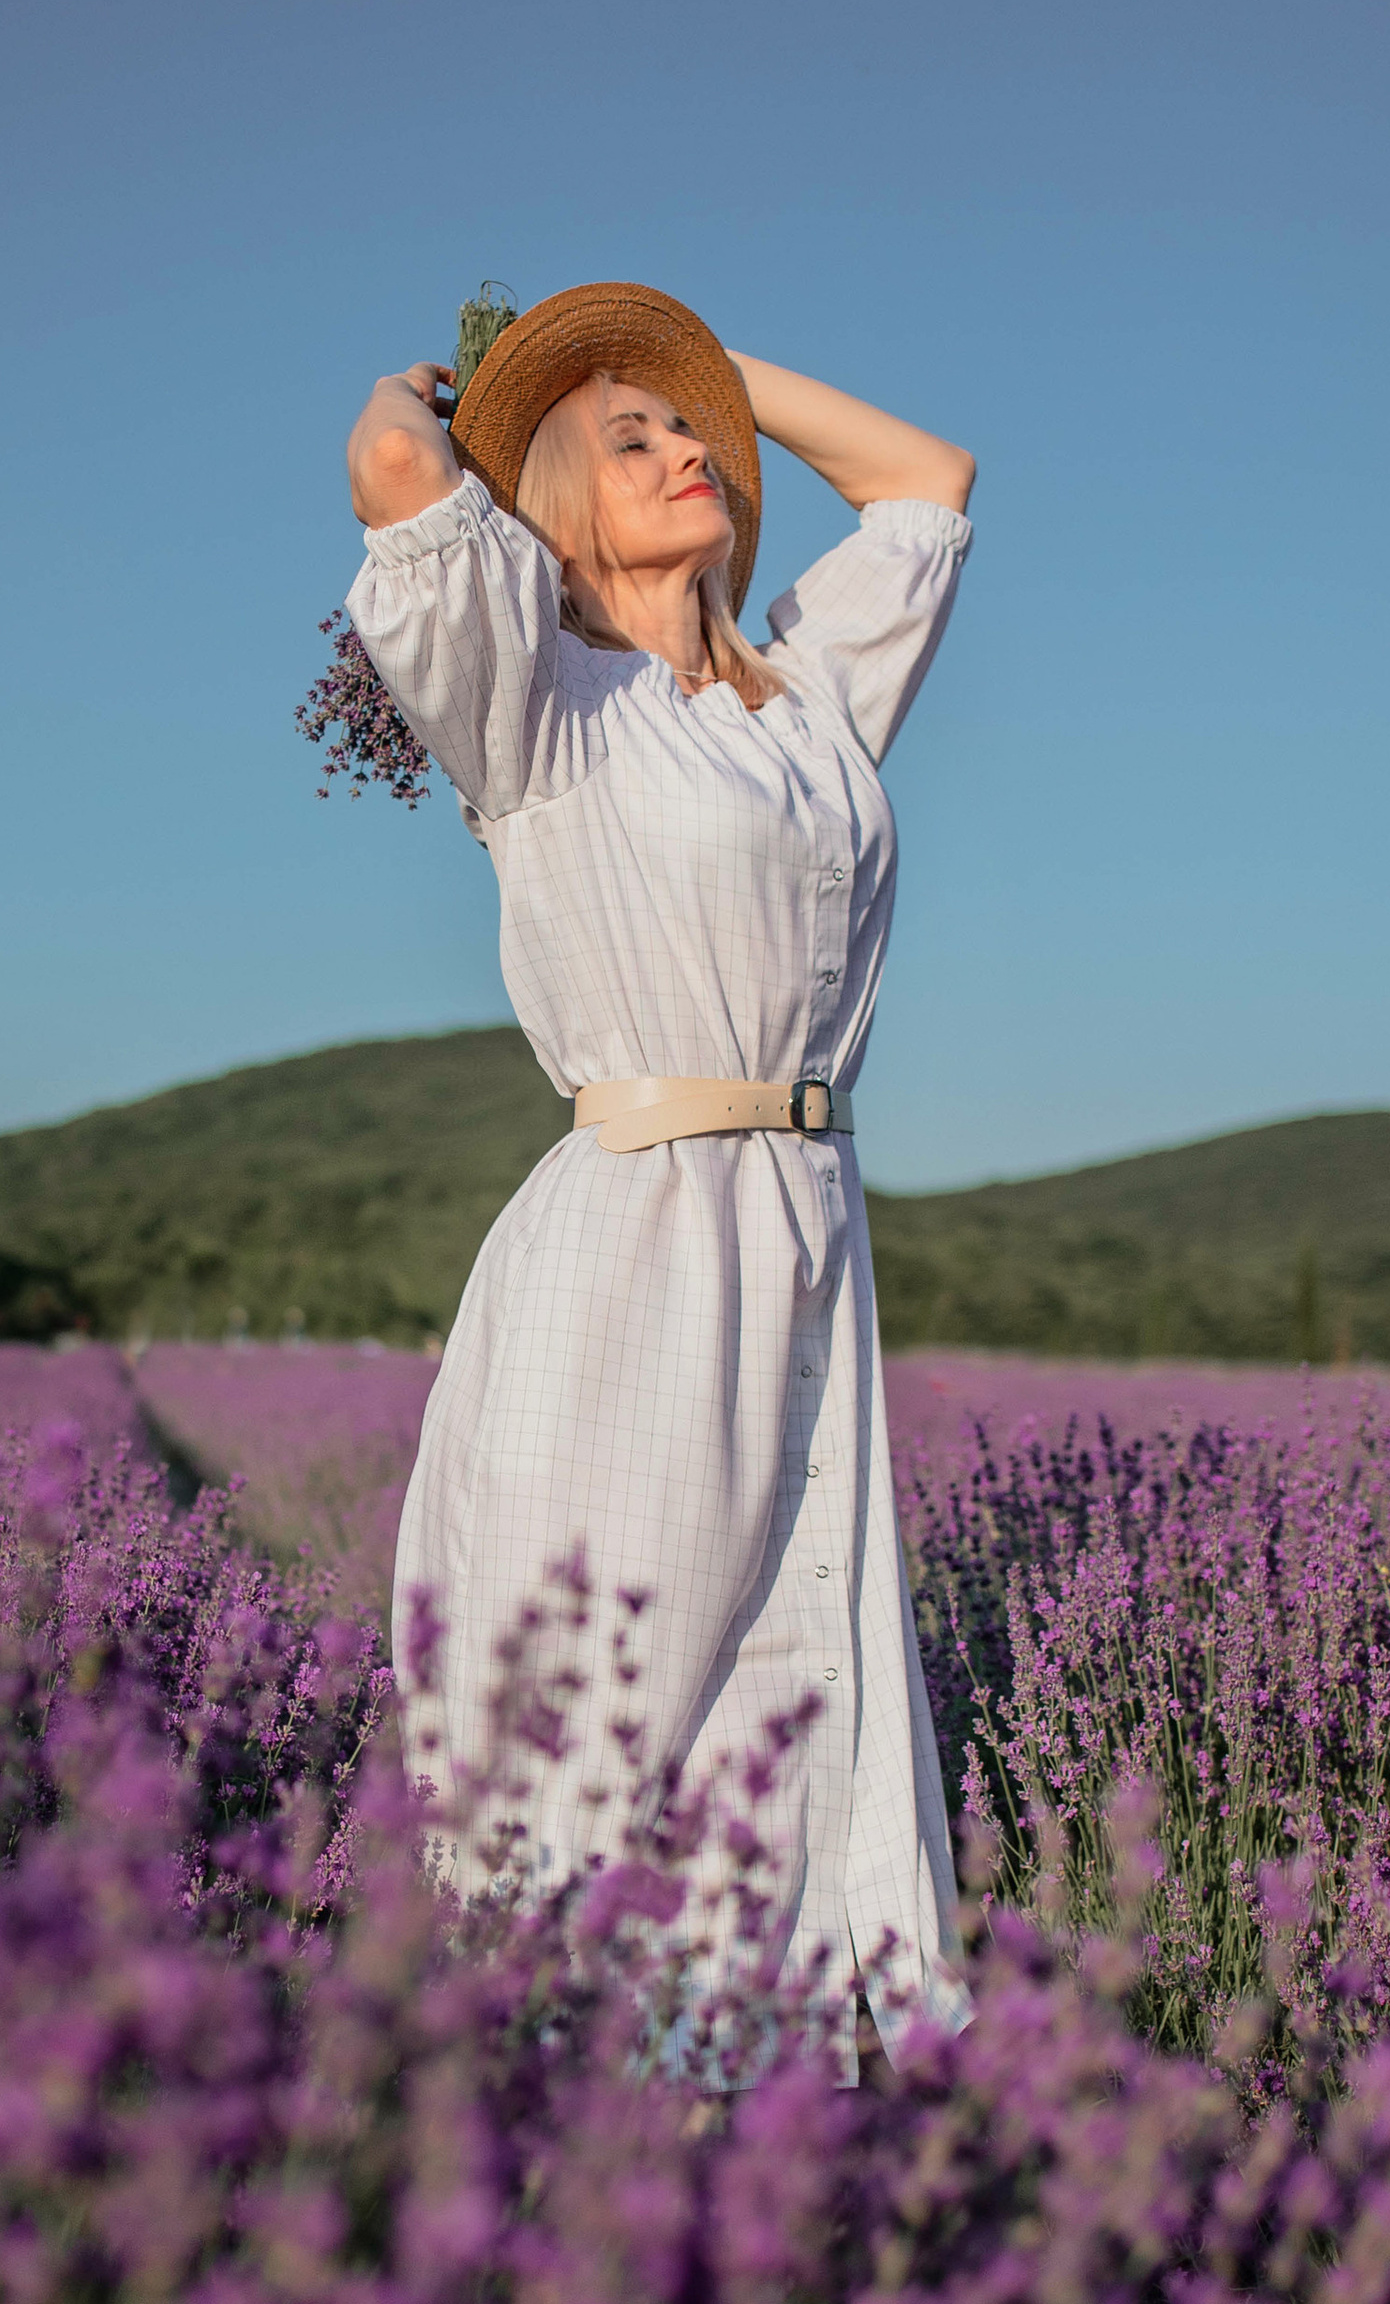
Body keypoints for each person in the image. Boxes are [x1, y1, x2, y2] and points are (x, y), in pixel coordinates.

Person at [343, 283, 975, 2079]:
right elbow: (396, 460)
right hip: (632, 1245)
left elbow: (928, 481)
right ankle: (535, 2139)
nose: (691, 447)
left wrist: (694, 368)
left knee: (797, 1675)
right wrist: (474, 383)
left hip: (807, 1231)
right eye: (631, 441)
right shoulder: (536, 707)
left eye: (694, 435)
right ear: (550, 500)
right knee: (603, 1713)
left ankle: (772, 2131)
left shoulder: (805, 696)